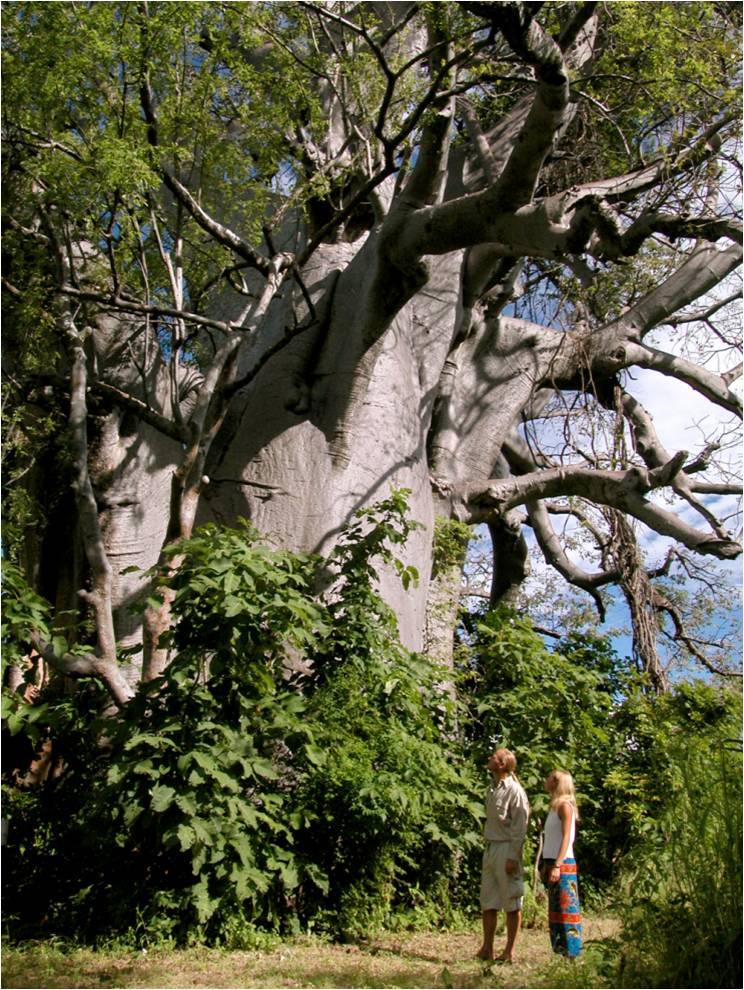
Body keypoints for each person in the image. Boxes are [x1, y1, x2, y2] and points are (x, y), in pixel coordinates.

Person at [477, 747, 530, 963]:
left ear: (501, 764)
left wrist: (513, 856)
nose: (489, 758)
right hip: (491, 847)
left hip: (507, 848)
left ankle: (509, 951)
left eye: (494, 757)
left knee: (511, 901)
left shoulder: (514, 791)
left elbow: (520, 825)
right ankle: (487, 948)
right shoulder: (492, 788)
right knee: (488, 900)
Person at [540, 769, 583, 959]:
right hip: (552, 861)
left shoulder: (565, 806)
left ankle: (572, 952)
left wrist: (557, 864)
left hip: (563, 862)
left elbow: (567, 837)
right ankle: (560, 950)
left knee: (567, 908)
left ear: (557, 783)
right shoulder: (554, 807)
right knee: (556, 910)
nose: (546, 780)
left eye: (550, 777)